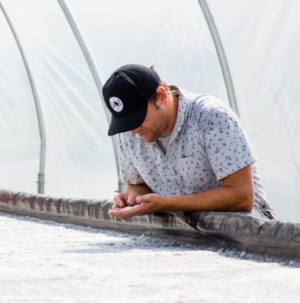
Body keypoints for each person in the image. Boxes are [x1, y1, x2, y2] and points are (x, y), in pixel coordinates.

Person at [101, 64, 274, 220]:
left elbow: (241, 196)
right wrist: (131, 197)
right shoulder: (131, 132)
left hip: (245, 238)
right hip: (185, 240)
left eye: (137, 118)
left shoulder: (211, 117)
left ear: (161, 96)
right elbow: (137, 185)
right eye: (126, 122)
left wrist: (167, 204)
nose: (133, 130)